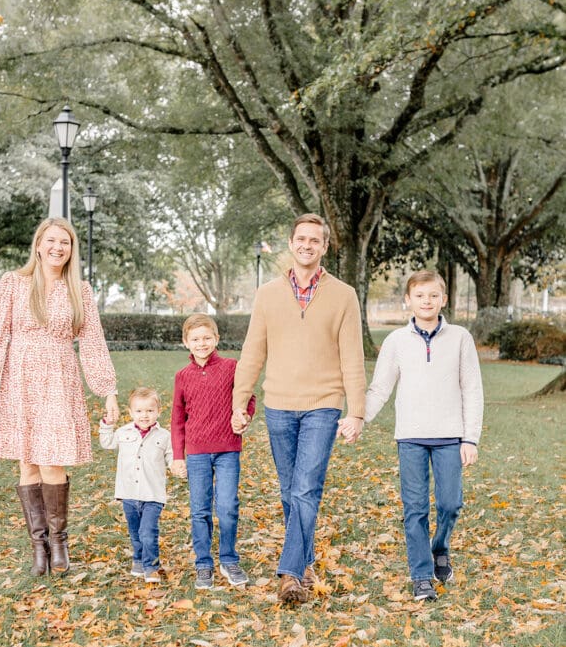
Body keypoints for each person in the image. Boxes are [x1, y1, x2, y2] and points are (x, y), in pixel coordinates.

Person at [0, 217, 118, 576]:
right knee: (28, 463)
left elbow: (94, 343)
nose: (57, 247)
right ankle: (37, 546)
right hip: (19, 379)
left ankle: (58, 541)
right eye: (51, 240)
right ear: (38, 244)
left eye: (64, 243)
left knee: (53, 461)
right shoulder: (13, 284)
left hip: (59, 378)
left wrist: (108, 390)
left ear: (71, 250)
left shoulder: (79, 290)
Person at [232, 213, 366, 605]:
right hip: (279, 404)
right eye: (301, 239)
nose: (307, 245)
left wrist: (355, 412)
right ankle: (305, 563)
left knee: (306, 486)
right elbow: (253, 351)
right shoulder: (268, 294)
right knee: (290, 492)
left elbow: (353, 359)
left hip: (324, 405)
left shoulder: (344, 295)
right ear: (291, 243)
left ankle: (289, 574)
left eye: (315, 240)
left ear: (325, 247)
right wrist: (241, 400)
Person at [352, 270, 483, 601]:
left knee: (451, 504)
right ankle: (422, 576)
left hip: (450, 437)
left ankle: (440, 548)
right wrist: (359, 417)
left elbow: (472, 389)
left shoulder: (460, 338)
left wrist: (470, 438)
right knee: (415, 508)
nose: (427, 301)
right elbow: (380, 388)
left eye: (433, 295)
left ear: (444, 299)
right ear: (408, 300)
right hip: (410, 436)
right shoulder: (396, 341)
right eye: (420, 296)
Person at [171, 314, 256, 590]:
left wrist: (244, 416)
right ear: (186, 343)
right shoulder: (182, 376)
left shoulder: (232, 367)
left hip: (228, 449)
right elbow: (176, 419)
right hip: (196, 452)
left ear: (216, 339)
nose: (202, 343)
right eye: (195, 339)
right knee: (200, 510)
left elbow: (248, 398)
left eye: (207, 338)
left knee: (228, 506)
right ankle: (203, 563)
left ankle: (229, 558)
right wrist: (177, 455)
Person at [99, 387, 173, 583]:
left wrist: (177, 466)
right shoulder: (124, 432)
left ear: (159, 411)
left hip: (152, 495)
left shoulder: (164, 436)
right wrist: (107, 424)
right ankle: (138, 559)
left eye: (150, 410)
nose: (144, 415)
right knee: (135, 532)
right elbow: (107, 443)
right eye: (139, 411)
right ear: (131, 412)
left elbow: (171, 456)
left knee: (148, 532)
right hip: (129, 493)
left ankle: (152, 566)